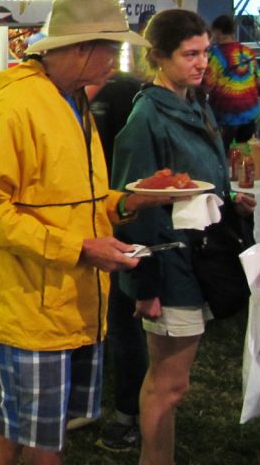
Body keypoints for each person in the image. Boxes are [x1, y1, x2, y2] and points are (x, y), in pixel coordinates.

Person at [0, 0, 166, 465]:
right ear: (80, 49)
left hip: (65, 305)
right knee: (30, 433)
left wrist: (132, 201)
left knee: (30, 429)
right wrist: (78, 249)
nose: (118, 61)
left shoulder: (71, 104)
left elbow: (76, 200)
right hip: (29, 308)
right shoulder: (16, 109)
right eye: (112, 49)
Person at [110, 9, 256, 465]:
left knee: (174, 384)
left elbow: (194, 181)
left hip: (197, 258)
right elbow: (132, 208)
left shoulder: (195, 102)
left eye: (204, 53)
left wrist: (228, 202)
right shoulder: (145, 119)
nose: (201, 63)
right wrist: (146, 286)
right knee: (168, 385)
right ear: (158, 58)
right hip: (170, 263)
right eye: (189, 54)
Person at [87, 70, 149, 453]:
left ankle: (129, 416)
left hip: (124, 220)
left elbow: (125, 172)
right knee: (118, 322)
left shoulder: (128, 97)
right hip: (108, 216)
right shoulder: (74, 100)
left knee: (126, 324)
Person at [202, 14, 260, 152]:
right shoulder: (248, 52)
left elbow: (209, 85)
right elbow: (258, 80)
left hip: (225, 115)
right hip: (250, 113)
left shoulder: (214, 55)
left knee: (224, 156)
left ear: (218, 32)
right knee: (245, 155)